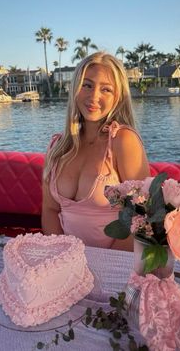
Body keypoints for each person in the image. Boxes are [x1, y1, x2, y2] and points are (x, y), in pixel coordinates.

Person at [42, 51, 150, 251]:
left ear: (118, 97)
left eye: (106, 89)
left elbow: (141, 213)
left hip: (115, 262)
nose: (94, 97)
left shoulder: (123, 141)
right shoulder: (57, 146)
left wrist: (106, 264)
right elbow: (49, 210)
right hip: (65, 262)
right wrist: (60, 256)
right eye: (87, 85)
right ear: (75, 88)